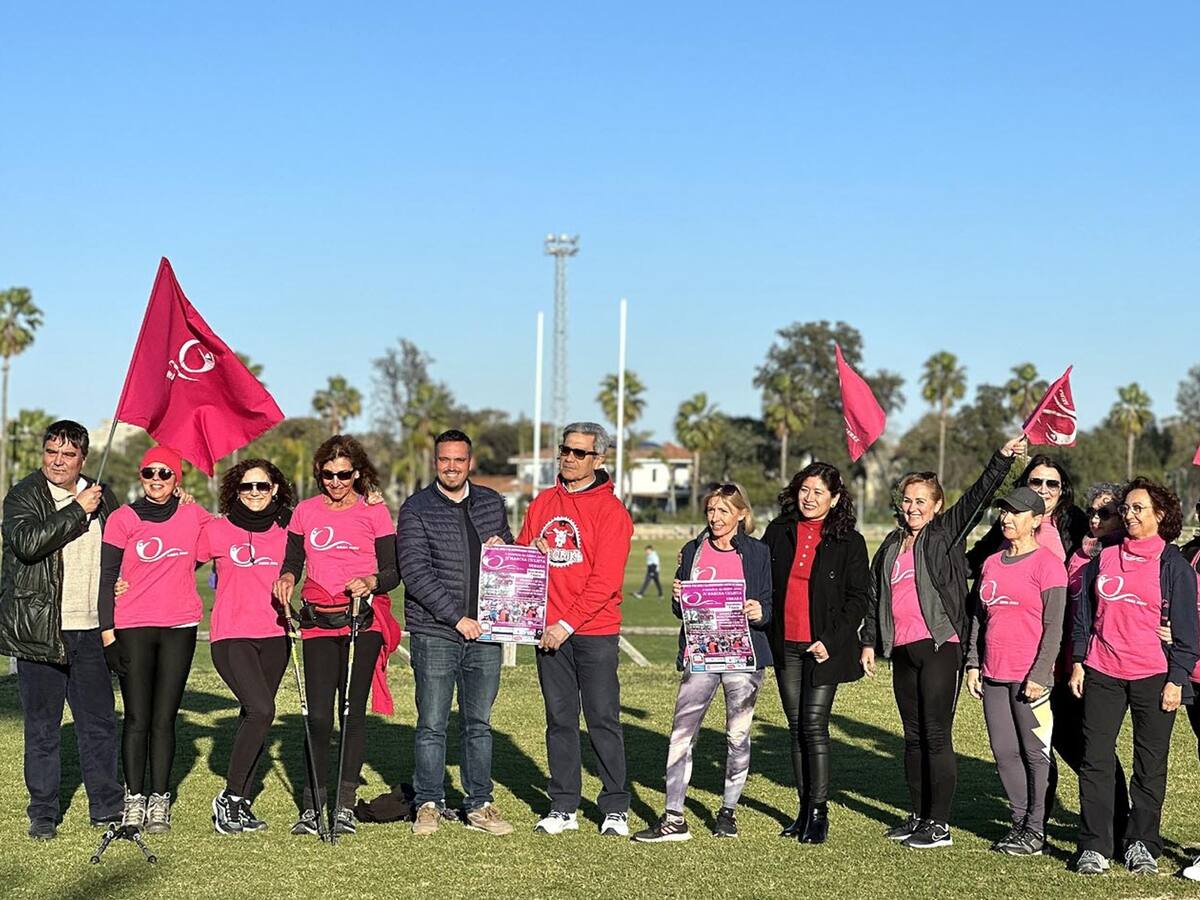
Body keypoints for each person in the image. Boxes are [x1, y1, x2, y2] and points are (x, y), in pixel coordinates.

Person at [861, 436, 1025, 849]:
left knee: (936, 734)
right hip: (903, 649)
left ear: (936, 505)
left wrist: (1001, 459)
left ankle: (940, 824)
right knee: (912, 736)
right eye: (907, 500)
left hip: (940, 646)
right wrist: (868, 642)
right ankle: (918, 816)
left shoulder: (944, 533)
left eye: (921, 501)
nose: (912, 507)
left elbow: (978, 495)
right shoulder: (891, 544)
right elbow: (874, 596)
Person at [0, 420, 124, 840]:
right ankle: (43, 813)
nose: (57, 461)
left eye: (67, 454)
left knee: (99, 724)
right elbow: (29, 543)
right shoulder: (23, 495)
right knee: (42, 727)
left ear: (83, 458)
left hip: (91, 631)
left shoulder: (103, 496)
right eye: (51, 451)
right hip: (40, 629)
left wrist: (122, 579)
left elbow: (127, 544)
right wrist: (77, 510)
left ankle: (106, 807)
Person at [273, 435, 400, 838]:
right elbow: (293, 558)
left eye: (343, 474)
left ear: (356, 473)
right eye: (328, 475)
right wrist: (288, 576)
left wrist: (370, 580)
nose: (336, 482)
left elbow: (393, 572)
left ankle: (343, 806)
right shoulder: (305, 512)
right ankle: (312, 805)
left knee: (351, 713)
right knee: (318, 716)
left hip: (361, 619)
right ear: (319, 475)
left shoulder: (375, 513)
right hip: (317, 620)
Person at [1070, 477, 1199, 876]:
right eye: (1126, 508)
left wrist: (1177, 678)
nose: (1129, 514)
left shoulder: (1173, 565)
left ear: (1160, 515)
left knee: (1150, 764)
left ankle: (1142, 844)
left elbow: (1187, 633)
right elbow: (1083, 617)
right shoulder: (1104, 558)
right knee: (1095, 761)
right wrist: (1078, 661)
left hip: (1155, 677)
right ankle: (1094, 845)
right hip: (1103, 670)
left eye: (1138, 508)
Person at [632, 483, 772, 842]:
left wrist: (760, 612)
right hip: (700, 655)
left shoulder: (757, 553)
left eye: (724, 511)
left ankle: (728, 812)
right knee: (682, 734)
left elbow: (770, 605)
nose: (716, 518)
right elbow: (681, 609)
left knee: (737, 737)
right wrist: (678, 597)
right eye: (711, 510)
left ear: (741, 514)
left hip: (743, 657)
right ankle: (674, 817)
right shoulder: (693, 550)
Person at [516, 423, 633, 836]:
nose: (569, 457)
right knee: (559, 719)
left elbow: (606, 582)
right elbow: (523, 555)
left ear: (598, 460)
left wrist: (566, 624)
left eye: (580, 453)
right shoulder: (543, 502)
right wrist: (524, 549)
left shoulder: (611, 512)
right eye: (565, 450)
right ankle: (563, 804)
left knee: (602, 718)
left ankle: (615, 805)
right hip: (548, 632)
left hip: (593, 632)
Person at [398, 429, 515, 837]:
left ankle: (479, 802)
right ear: (436, 462)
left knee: (478, 723)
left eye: (458, 460)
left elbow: (510, 562)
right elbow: (415, 572)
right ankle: (428, 801)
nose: (451, 467)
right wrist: (455, 619)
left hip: (487, 631)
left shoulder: (490, 502)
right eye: (444, 460)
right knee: (432, 722)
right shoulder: (416, 508)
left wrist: (507, 545)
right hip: (436, 632)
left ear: (471, 462)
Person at [99, 445, 211, 834]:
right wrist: (108, 636)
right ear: (140, 476)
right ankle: (134, 799)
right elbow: (106, 576)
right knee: (136, 718)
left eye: (166, 474)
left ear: (177, 478)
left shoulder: (194, 515)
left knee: (164, 719)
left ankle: (160, 801)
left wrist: (192, 506)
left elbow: (213, 544)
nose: (157, 480)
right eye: (150, 473)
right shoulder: (122, 519)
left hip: (179, 627)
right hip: (132, 626)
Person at [762, 462, 869, 844]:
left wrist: (832, 639)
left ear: (835, 498)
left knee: (813, 725)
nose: (809, 498)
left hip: (824, 647)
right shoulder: (778, 531)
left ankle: (820, 813)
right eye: (804, 490)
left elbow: (858, 599)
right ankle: (803, 809)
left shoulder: (849, 541)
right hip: (785, 643)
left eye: (818, 492)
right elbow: (758, 576)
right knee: (795, 728)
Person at [965, 486, 1066, 856]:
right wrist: (974, 664)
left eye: (1015, 513)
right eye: (1003, 511)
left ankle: (1036, 830)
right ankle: (1019, 822)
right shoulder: (991, 563)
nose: (1006, 518)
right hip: (994, 673)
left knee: (1034, 753)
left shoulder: (1048, 565)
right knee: (1004, 751)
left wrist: (1040, 675)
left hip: (1030, 678)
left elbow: (1055, 626)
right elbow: (979, 618)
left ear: (1036, 520)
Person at [201, 458, 294, 834]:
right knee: (262, 710)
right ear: (235, 491)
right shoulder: (216, 530)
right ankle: (228, 797)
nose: (254, 493)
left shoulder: (288, 531)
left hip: (275, 635)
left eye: (262, 486)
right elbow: (175, 565)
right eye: (246, 487)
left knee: (252, 716)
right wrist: (126, 584)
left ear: (274, 489)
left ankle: (239, 803)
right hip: (230, 635)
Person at [1046, 482, 1129, 843]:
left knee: (1096, 748)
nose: (1095, 519)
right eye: (1092, 512)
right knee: (1069, 740)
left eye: (1105, 513)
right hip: (1067, 664)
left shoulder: (1121, 555)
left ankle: (1117, 825)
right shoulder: (1078, 553)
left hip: (1102, 666)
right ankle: (1105, 815)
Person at [969, 454, 1089, 567]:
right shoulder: (1009, 519)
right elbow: (973, 562)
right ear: (1025, 485)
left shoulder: (1074, 521)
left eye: (1052, 484)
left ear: (1062, 489)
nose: (1043, 490)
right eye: (1036, 482)